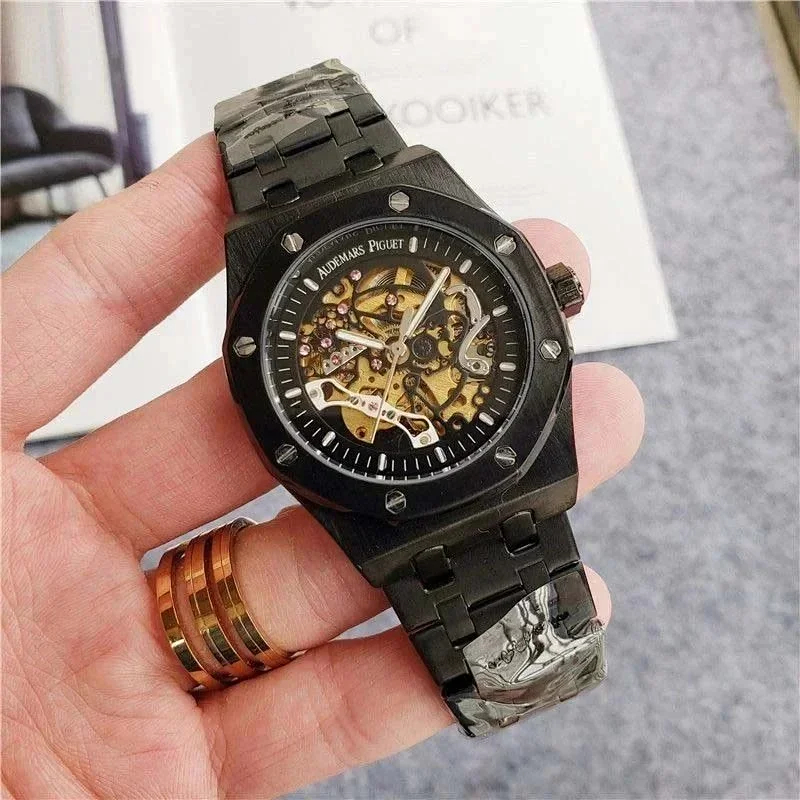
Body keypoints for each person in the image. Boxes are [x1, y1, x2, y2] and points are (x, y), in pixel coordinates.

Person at [1, 135, 644, 798]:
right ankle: (521, 677)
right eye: (376, 346)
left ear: (552, 299)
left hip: (467, 455)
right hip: (401, 479)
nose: (397, 354)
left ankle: (525, 675)